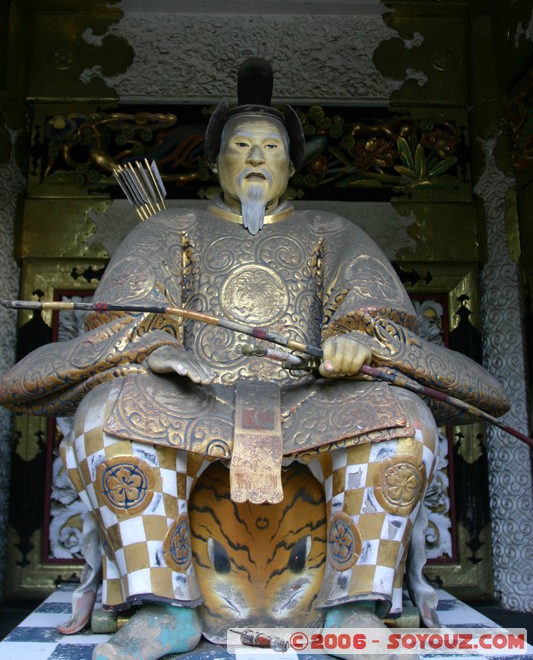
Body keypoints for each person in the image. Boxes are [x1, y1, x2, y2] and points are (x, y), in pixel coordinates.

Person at [0, 59, 508, 660]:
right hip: (196, 401)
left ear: (291, 166)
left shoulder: (331, 229)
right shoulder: (170, 229)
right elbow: (126, 319)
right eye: (241, 146)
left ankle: (353, 606)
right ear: (218, 164)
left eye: (272, 147)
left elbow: (375, 313)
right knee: (104, 414)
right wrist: (158, 351)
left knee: (404, 423)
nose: (257, 158)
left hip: (314, 401)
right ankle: (165, 608)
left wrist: (356, 342)